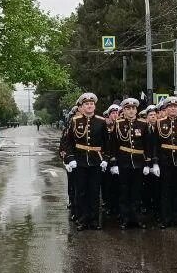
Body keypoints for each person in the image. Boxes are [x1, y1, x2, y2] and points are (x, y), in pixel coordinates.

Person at [60, 93, 109, 230]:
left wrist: (105, 159)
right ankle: (82, 219)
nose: (89, 106)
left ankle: (94, 220)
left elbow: (107, 143)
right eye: (86, 104)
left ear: (95, 106)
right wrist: (70, 158)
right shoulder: (75, 121)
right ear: (81, 106)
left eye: (91, 104)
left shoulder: (101, 121)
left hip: (95, 161)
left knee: (94, 192)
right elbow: (68, 142)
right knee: (81, 192)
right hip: (80, 161)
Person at [106, 98, 153, 229]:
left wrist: (147, 163)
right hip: (123, 162)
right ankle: (125, 218)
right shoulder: (118, 124)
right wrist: (114, 162)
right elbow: (113, 145)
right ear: (124, 111)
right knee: (124, 191)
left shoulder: (143, 124)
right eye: (128, 109)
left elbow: (147, 145)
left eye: (133, 108)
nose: (131, 111)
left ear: (136, 110)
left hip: (138, 162)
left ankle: (137, 218)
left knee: (137, 192)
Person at [153, 97, 177, 228]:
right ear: (166, 109)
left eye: (175, 107)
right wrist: (155, 162)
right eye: (170, 107)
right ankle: (166, 219)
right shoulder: (159, 123)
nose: (173, 109)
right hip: (165, 161)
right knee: (166, 191)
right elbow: (156, 145)